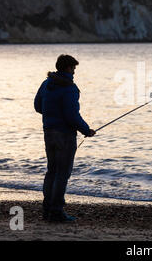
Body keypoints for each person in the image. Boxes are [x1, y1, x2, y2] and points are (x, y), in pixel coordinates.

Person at [34, 54, 95, 222]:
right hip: (65, 135)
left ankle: (47, 209)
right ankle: (56, 211)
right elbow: (71, 116)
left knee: (52, 171)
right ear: (67, 68)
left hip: (48, 132)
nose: (74, 72)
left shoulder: (46, 84)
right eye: (73, 68)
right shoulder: (70, 88)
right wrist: (86, 130)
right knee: (62, 173)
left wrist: (52, 114)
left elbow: (38, 106)